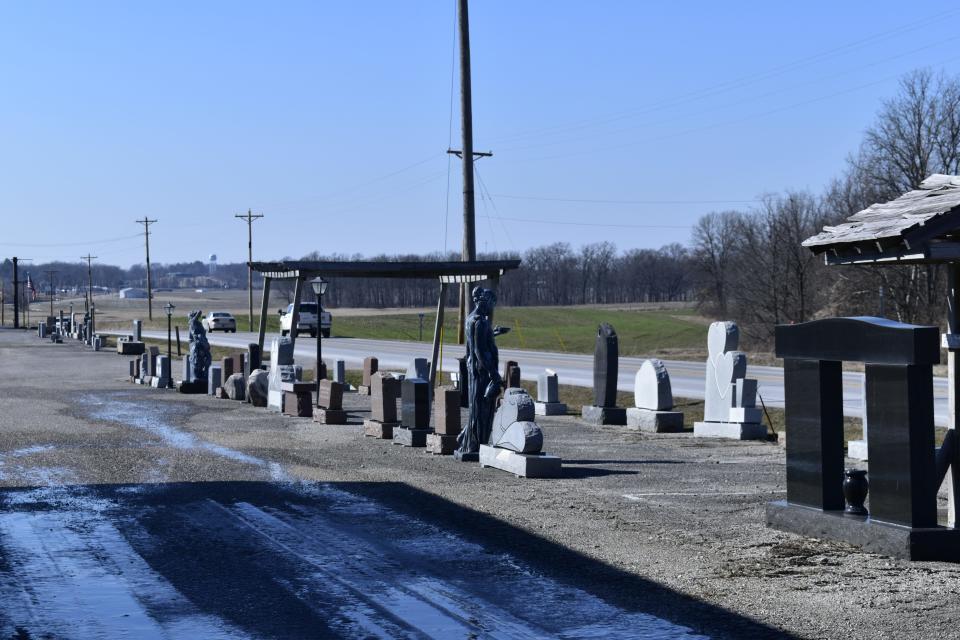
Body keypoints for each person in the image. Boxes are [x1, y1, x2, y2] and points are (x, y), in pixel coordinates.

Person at [456, 287, 509, 458]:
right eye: (490, 304)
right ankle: (475, 444)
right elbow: (479, 350)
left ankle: (467, 439)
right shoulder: (478, 321)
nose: (491, 308)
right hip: (482, 372)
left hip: (479, 371)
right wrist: (493, 373)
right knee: (481, 409)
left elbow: (480, 341)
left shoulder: (473, 319)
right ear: (482, 302)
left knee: (478, 408)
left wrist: (494, 333)